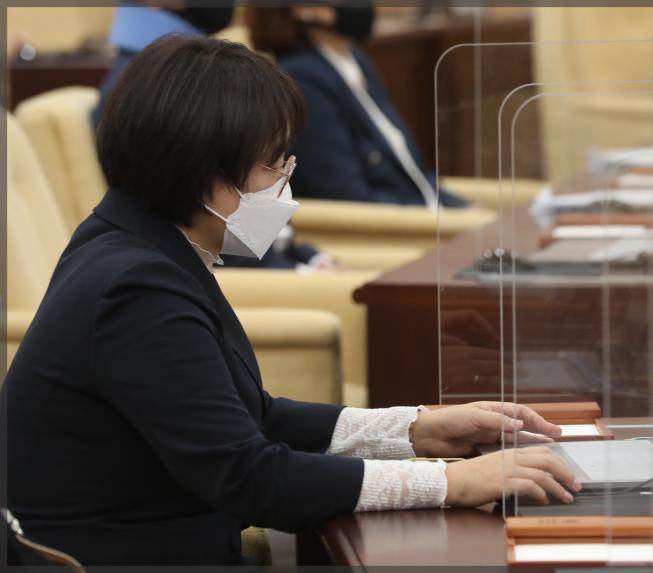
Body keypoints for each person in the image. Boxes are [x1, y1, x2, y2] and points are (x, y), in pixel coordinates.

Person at [0, 36, 578, 566]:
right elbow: (250, 478)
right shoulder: (135, 288)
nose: (284, 181)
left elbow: (256, 416)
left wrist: (419, 429)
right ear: (199, 166)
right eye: (272, 162)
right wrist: (453, 483)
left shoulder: (136, 241)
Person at [92, 2, 332, 270]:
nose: (281, 180)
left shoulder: (207, 74)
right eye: (271, 165)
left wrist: (309, 259)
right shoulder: (147, 280)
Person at [245, 4, 468, 208]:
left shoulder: (354, 59)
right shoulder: (302, 80)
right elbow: (348, 196)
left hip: (424, 209)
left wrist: (462, 208)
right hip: (392, 226)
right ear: (303, 8)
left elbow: (409, 170)